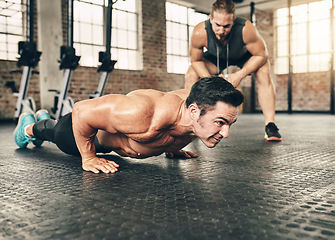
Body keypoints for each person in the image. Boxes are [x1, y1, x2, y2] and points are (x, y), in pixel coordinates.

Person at [13, 76, 244, 174]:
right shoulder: (143, 113)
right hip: (87, 136)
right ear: (193, 112)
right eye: (221, 123)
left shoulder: (197, 115)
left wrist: (172, 146)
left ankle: (42, 116)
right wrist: (89, 157)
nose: (226, 133)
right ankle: (28, 127)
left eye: (229, 123)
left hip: (115, 139)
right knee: (53, 131)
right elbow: (82, 110)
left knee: (52, 124)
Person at [185, 0, 281, 141]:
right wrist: (210, 80)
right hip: (215, 57)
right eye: (217, 25)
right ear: (210, 18)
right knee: (191, 73)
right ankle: (189, 123)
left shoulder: (246, 29)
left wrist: (240, 75)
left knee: (264, 72)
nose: (221, 30)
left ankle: (270, 125)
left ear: (233, 21)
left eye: (227, 26)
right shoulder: (200, 31)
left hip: (244, 56)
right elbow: (195, 60)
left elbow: (261, 55)